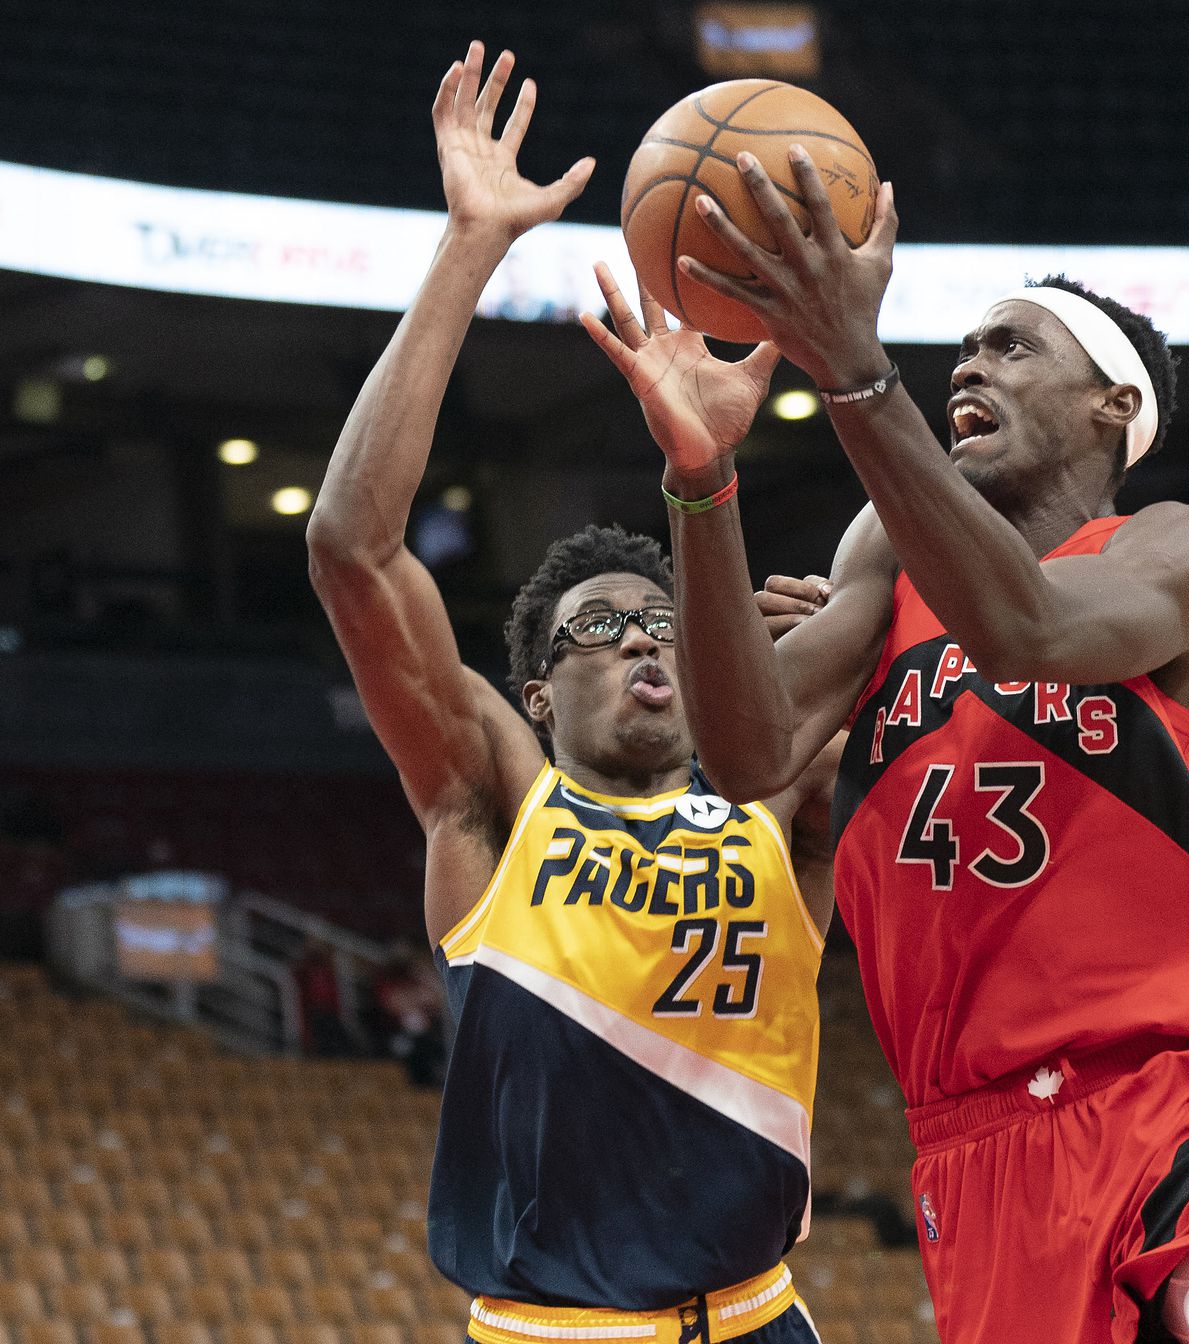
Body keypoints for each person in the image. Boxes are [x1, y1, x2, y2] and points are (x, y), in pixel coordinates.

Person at [582, 147, 1189, 1344]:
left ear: (1113, 406)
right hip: (979, 1149)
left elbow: (1029, 626)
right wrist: (701, 482)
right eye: (963, 345)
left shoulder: (1182, 550)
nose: (969, 361)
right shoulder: (885, 560)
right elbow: (745, 754)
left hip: (1181, 1092)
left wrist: (858, 372)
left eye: (1013, 346)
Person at [306, 45, 837, 1344]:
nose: (648, 643)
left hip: (768, 1317)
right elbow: (352, 550)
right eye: (605, 629)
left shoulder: (780, 806)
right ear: (535, 695)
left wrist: (846, 638)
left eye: (665, 623)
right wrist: (470, 248)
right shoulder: (498, 812)